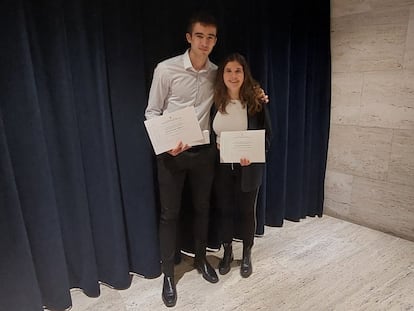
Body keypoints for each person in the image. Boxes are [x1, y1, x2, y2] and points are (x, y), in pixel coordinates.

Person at [145, 11, 268, 307]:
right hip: (172, 156)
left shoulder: (218, 72)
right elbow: (151, 112)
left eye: (210, 37)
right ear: (189, 38)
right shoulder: (166, 69)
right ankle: (167, 274)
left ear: (215, 41)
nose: (205, 42)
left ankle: (201, 260)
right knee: (169, 214)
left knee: (202, 209)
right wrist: (165, 145)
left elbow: (241, 93)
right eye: (199, 36)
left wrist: (260, 94)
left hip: (205, 154)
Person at [211, 53, 272, 278]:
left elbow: (267, 138)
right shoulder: (215, 101)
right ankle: (227, 252)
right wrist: (214, 145)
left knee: (247, 211)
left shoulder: (256, 102)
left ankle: (246, 253)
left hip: (249, 168)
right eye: (228, 70)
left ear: (244, 74)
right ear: (222, 75)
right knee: (224, 211)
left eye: (238, 71)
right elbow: (209, 133)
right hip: (222, 168)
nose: (233, 75)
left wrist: (251, 153)